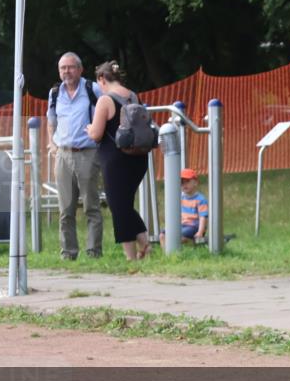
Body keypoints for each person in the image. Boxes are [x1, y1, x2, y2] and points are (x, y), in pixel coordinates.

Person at [85, 61, 150, 260]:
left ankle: (131, 256)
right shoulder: (133, 96)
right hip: (138, 159)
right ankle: (146, 245)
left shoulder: (105, 101)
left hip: (116, 161)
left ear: (102, 79)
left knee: (118, 208)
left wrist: (88, 129)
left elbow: (96, 134)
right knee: (124, 206)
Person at [47, 52, 103, 260]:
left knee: (91, 206)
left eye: (70, 67)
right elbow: (51, 120)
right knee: (65, 209)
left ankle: (93, 252)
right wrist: (52, 144)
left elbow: (107, 113)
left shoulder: (92, 89)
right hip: (62, 154)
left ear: (80, 69)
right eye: (63, 68)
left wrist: (100, 139)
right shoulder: (54, 93)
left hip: (87, 153)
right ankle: (68, 253)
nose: (66, 72)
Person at [159, 168, 208, 248]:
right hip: (181, 225)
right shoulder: (180, 197)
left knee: (176, 238)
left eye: (187, 181)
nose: (184, 185)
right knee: (162, 235)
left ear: (195, 182)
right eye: (182, 183)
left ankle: (192, 243)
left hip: (193, 226)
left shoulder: (200, 199)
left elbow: (203, 217)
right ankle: (167, 256)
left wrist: (200, 232)